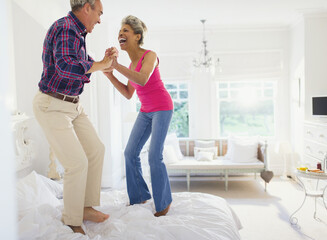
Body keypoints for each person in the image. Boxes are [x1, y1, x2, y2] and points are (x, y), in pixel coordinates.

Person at [33, 0, 117, 235]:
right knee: (76, 163)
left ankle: (85, 207)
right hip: (52, 105)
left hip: (72, 105)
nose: (100, 19)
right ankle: (71, 219)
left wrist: (102, 62)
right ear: (87, 7)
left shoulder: (76, 33)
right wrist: (100, 65)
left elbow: (81, 63)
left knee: (96, 150)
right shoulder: (65, 28)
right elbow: (66, 67)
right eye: (99, 13)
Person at [103, 15, 173, 217]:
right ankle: (140, 195)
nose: (120, 34)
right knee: (130, 152)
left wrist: (116, 66)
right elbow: (127, 93)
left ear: (137, 36)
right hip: (146, 111)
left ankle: (163, 203)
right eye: (119, 32)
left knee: (154, 155)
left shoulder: (150, 55)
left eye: (125, 30)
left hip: (162, 107)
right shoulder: (131, 65)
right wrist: (110, 75)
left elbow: (142, 80)